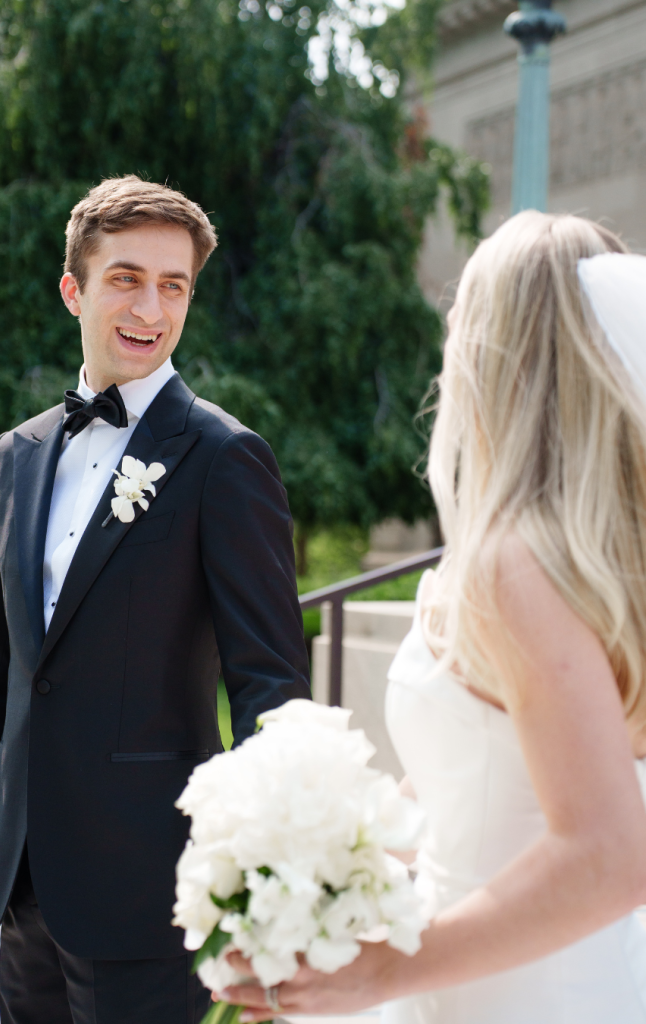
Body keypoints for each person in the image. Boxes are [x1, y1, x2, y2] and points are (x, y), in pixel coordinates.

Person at [0, 175, 311, 1024]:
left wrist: (273, 884)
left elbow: (269, 688)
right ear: (73, 289)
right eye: (126, 278)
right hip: (25, 891)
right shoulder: (15, 455)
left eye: (173, 284)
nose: (150, 307)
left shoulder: (226, 458)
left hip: (153, 889)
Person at [222, 211, 646, 1023]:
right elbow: (478, 783)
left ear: (493, 356)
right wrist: (314, 885)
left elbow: (611, 852)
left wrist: (379, 974)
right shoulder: (589, 561)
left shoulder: (517, 565)